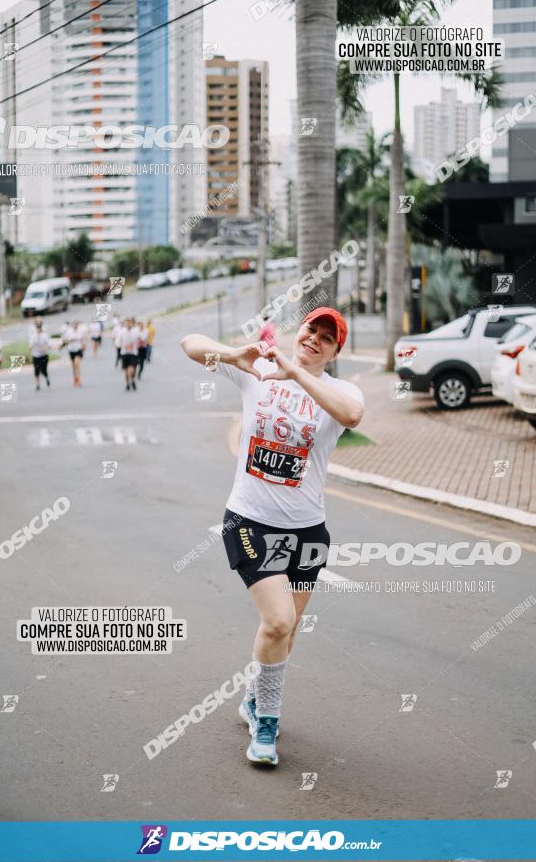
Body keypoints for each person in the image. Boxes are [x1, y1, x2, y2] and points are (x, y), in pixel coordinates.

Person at [180, 307, 364, 767]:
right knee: (279, 621)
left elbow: (353, 415)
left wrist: (298, 375)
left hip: (308, 532)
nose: (315, 339)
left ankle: (252, 698)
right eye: (311, 330)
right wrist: (232, 355)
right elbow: (190, 343)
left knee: (287, 631)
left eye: (327, 338)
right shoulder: (257, 371)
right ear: (298, 332)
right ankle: (266, 722)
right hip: (249, 522)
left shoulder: (338, 390)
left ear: (335, 351)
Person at [62, 320, 86, 387]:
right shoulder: (68, 331)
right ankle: (75, 379)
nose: (75, 326)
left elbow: (83, 339)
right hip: (71, 350)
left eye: (76, 324)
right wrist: (70, 340)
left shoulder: (80, 331)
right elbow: (64, 340)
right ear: (72, 325)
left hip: (78, 349)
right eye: (74, 324)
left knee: (77, 365)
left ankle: (79, 379)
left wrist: (83, 345)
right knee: (73, 367)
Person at [119, 317, 139, 391]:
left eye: (130, 323)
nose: (128, 324)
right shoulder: (121, 332)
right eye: (127, 323)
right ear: (125, 324)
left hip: (133, 353)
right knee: (126, 371)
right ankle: (128, 383)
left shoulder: (135, 331)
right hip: (124, 353)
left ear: (132, 324)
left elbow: (138, 339)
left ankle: (132, 380)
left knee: (132, 370)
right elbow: (118, 342)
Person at [30, 321, 51, 390]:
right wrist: (31, 347)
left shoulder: (45, 335)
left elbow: (48, 345)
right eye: (37, 327)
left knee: (43, 369)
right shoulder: (33, 336)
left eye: (39, 327)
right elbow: (31, 345)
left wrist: (44, 348)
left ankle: (46, 377)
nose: (38, 329)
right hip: (36, 355)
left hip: (44, 355)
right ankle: (37, 384)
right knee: (36, 369)